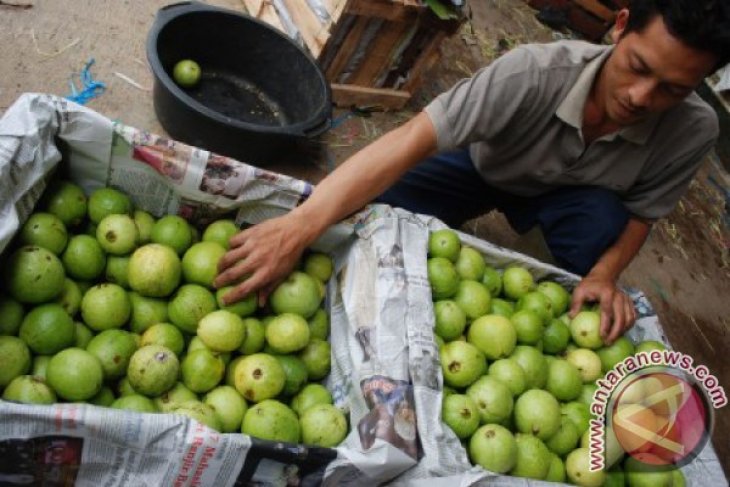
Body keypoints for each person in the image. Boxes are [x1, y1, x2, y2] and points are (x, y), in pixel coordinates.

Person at [214, 0, 729, 344]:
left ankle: (580, 278)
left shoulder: (694, 131)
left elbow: (643, 213)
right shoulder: (534, 73)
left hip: (575, 195)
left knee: (602, 229)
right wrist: (300, 225)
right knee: (366, 208)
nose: (641, 98)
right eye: (638, 67)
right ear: (619, 27)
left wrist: (605, 274)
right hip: (484, 165)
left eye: (673, 89)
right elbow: (409, 139)